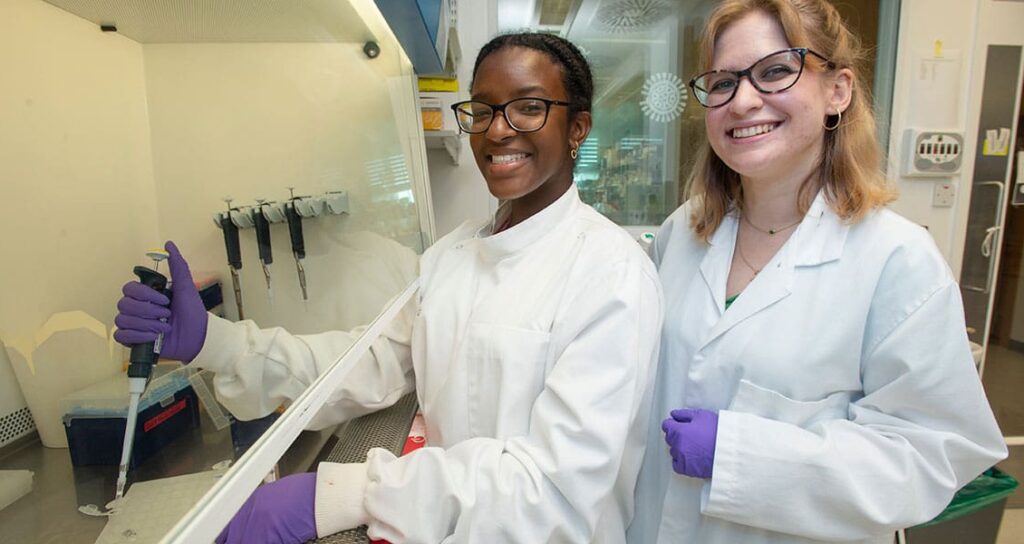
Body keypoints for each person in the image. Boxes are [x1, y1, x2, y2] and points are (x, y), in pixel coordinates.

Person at [114, 32, 662, 543]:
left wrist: (341, 494)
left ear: (577, 128)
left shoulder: (610, 273)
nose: (498, 129)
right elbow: (362, 365)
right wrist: (215, 340)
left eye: (529, 106)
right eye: (483, 108)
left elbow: (555, 492)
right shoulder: (452, 256)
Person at [627, 1, 1008, 543]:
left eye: (776, 71)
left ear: (838, 90)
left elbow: (929, 456)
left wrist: (741, 456)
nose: (743, 100)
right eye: (722, 82)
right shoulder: (683, 233)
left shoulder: (895, 260)